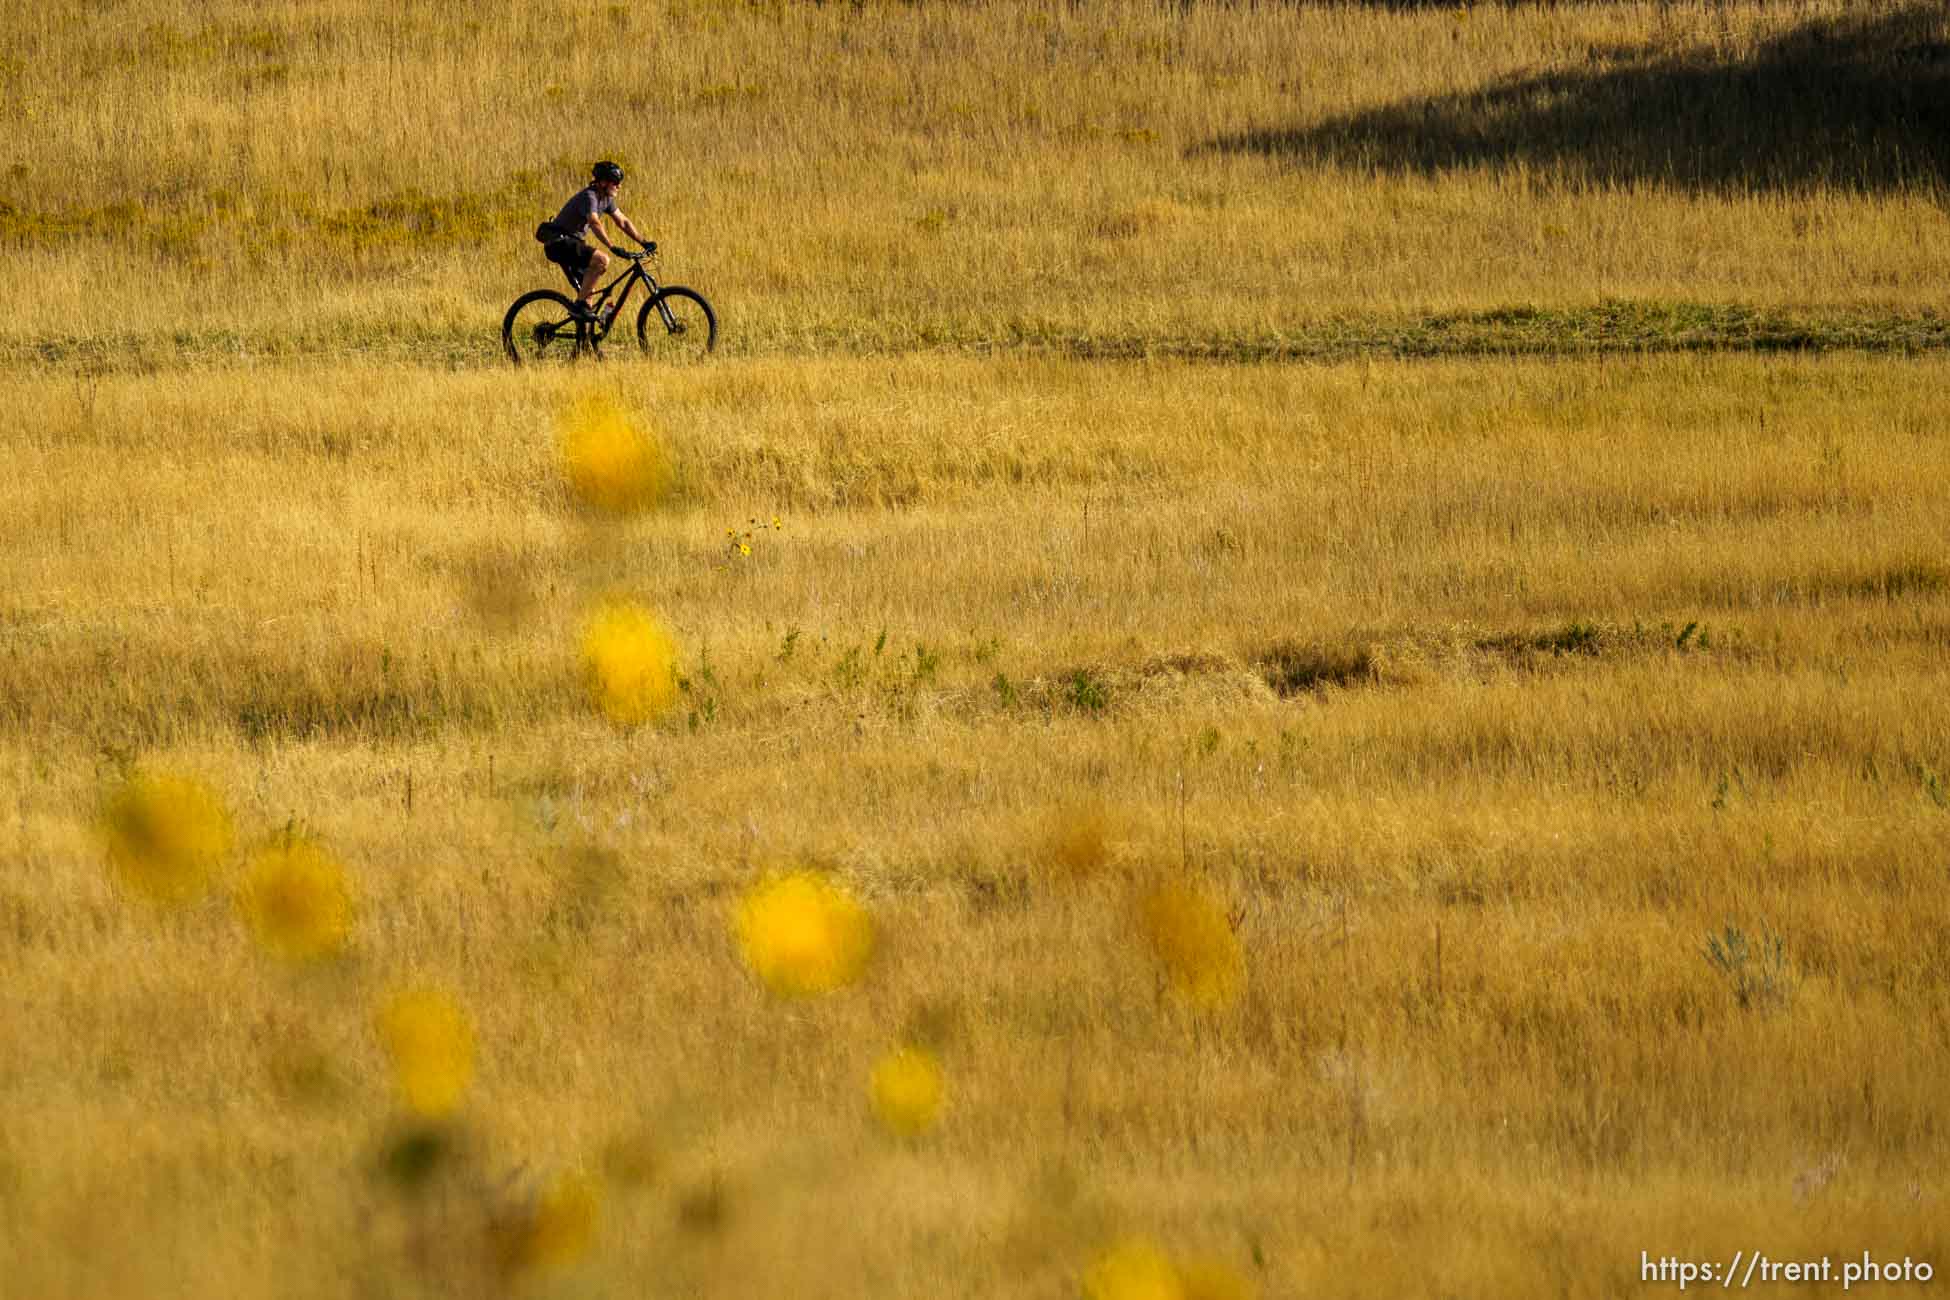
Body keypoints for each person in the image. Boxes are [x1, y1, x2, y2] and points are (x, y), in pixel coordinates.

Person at [537, 162, 653, 321]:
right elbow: (594, 222)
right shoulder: (590, 196)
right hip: (559, 242)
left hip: (573, 243)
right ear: (603, 182)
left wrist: (643, 242)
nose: (619, 186)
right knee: (602, 260)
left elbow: (623, 221)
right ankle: (578, 306)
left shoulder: (606, 199)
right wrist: (612, 247)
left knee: (588, 294)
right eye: (615, 182)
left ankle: (584, 343)